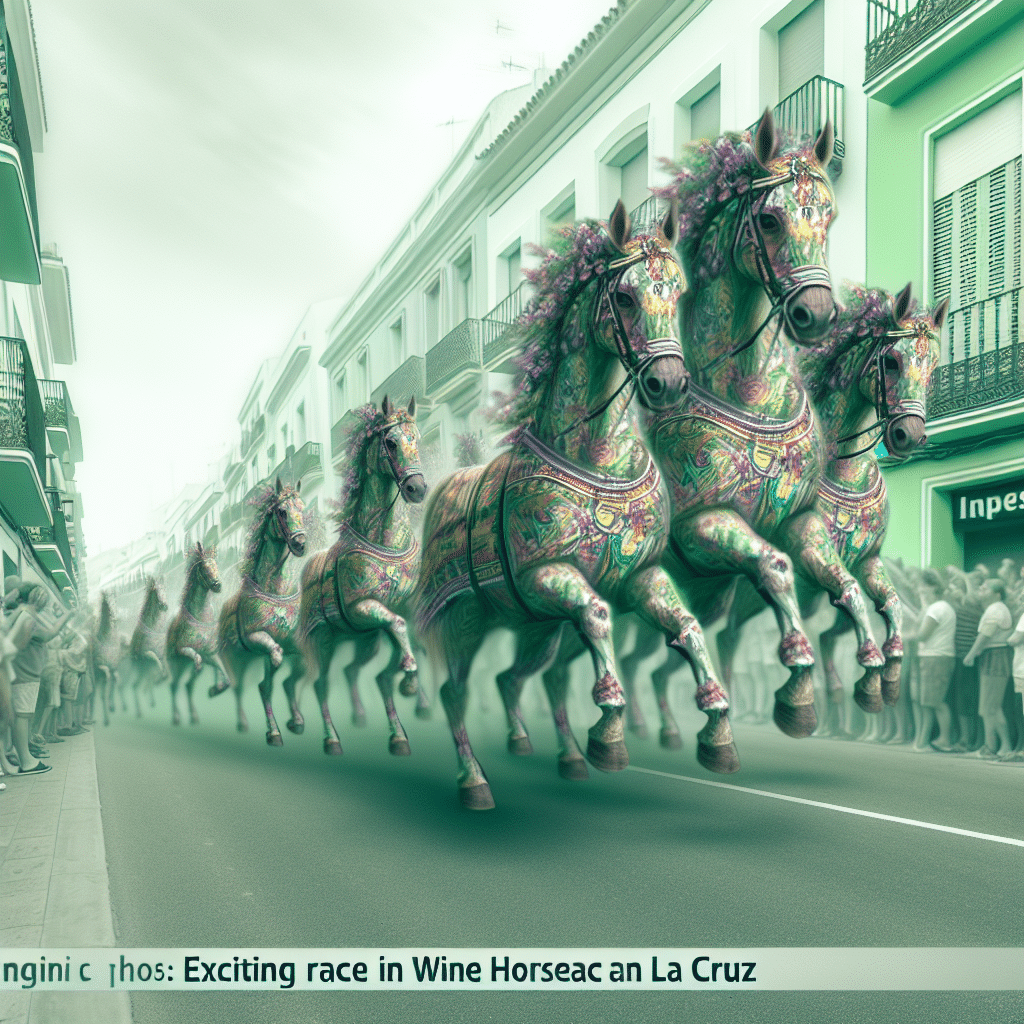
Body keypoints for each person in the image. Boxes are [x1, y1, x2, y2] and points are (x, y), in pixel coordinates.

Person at [7, 583, 74, 775]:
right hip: (24, 673)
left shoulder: (24, 615)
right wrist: (67, 615)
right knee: (22, 715)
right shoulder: (27, 617)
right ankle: (26, 761)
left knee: (23, 715)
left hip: (25, 673)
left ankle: (21, 754)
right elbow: (48, 635)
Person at [963, 577, 1014, 759]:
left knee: (991, 706)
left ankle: (1002, 747)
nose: (981, 590)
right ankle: (992, 746)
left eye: (985, 588)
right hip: (992, 656)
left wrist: (971, 654)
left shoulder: (996, 610)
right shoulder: (993, 609)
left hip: (996, 657)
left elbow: (985, 635)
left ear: (996, 593)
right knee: (988, 707)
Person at [907, 569, 955, 752]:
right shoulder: (935, 607)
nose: (919, 589)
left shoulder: (938, 608)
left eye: (922, 586)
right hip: (933, 657)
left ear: (933, 586)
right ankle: (923, 741)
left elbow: (922, 635)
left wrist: (905, 636)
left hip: (936, 658)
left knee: (933, 702)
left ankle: (941, 740)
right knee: (929, 701)